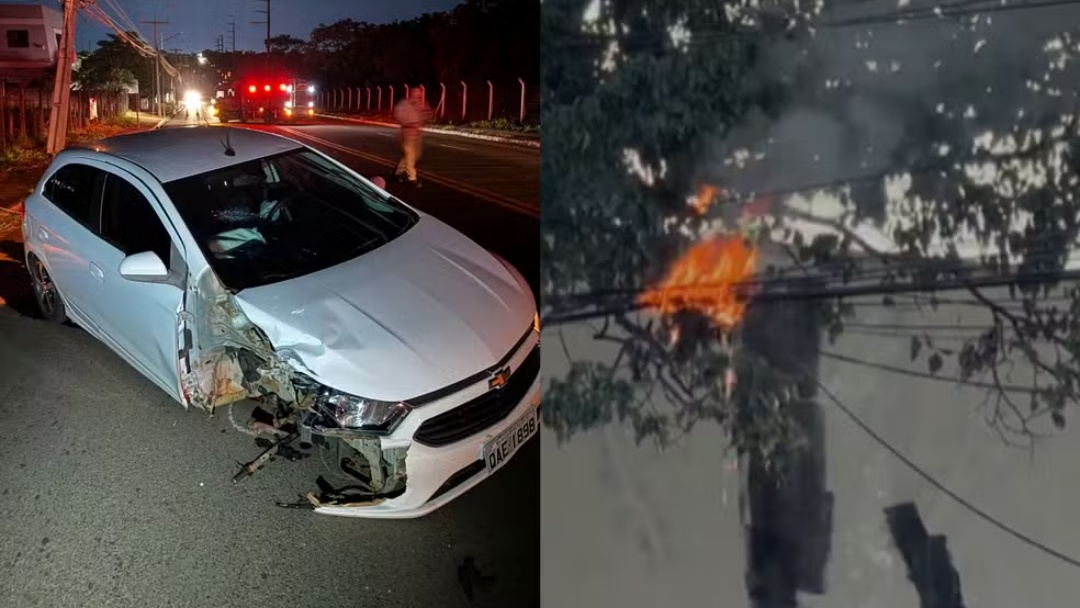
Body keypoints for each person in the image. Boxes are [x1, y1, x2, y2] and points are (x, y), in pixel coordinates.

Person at [393, 87, 433, 187]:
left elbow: (426, 115)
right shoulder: (405, 104)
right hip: (408, 133)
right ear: (412, 93)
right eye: (416, 93)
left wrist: (425, 116)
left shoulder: (421, 104)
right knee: (410, 155)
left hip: (417, 133)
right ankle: (412, 178)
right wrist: (410, 122)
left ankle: (398, 172)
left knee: (413, 155)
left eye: (419, 93)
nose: (418, 95)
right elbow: (398, 114)